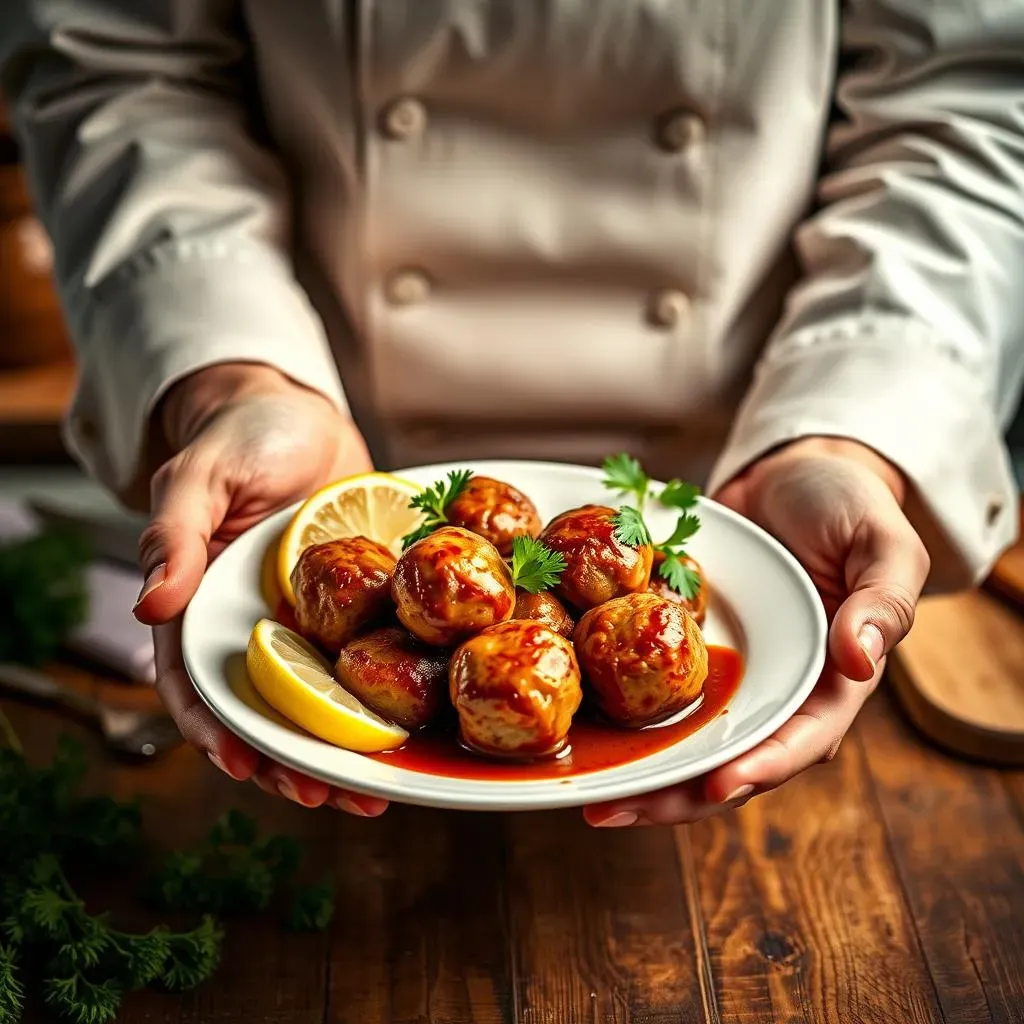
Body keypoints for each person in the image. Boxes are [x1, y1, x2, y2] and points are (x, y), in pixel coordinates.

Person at [2, 2, 1022, 827]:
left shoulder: (640, 588)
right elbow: (117, 62)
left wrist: (850, 427)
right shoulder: (429, 585)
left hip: (740, 458)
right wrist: (232, 381)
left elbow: (964, 100)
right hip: (345, 433)